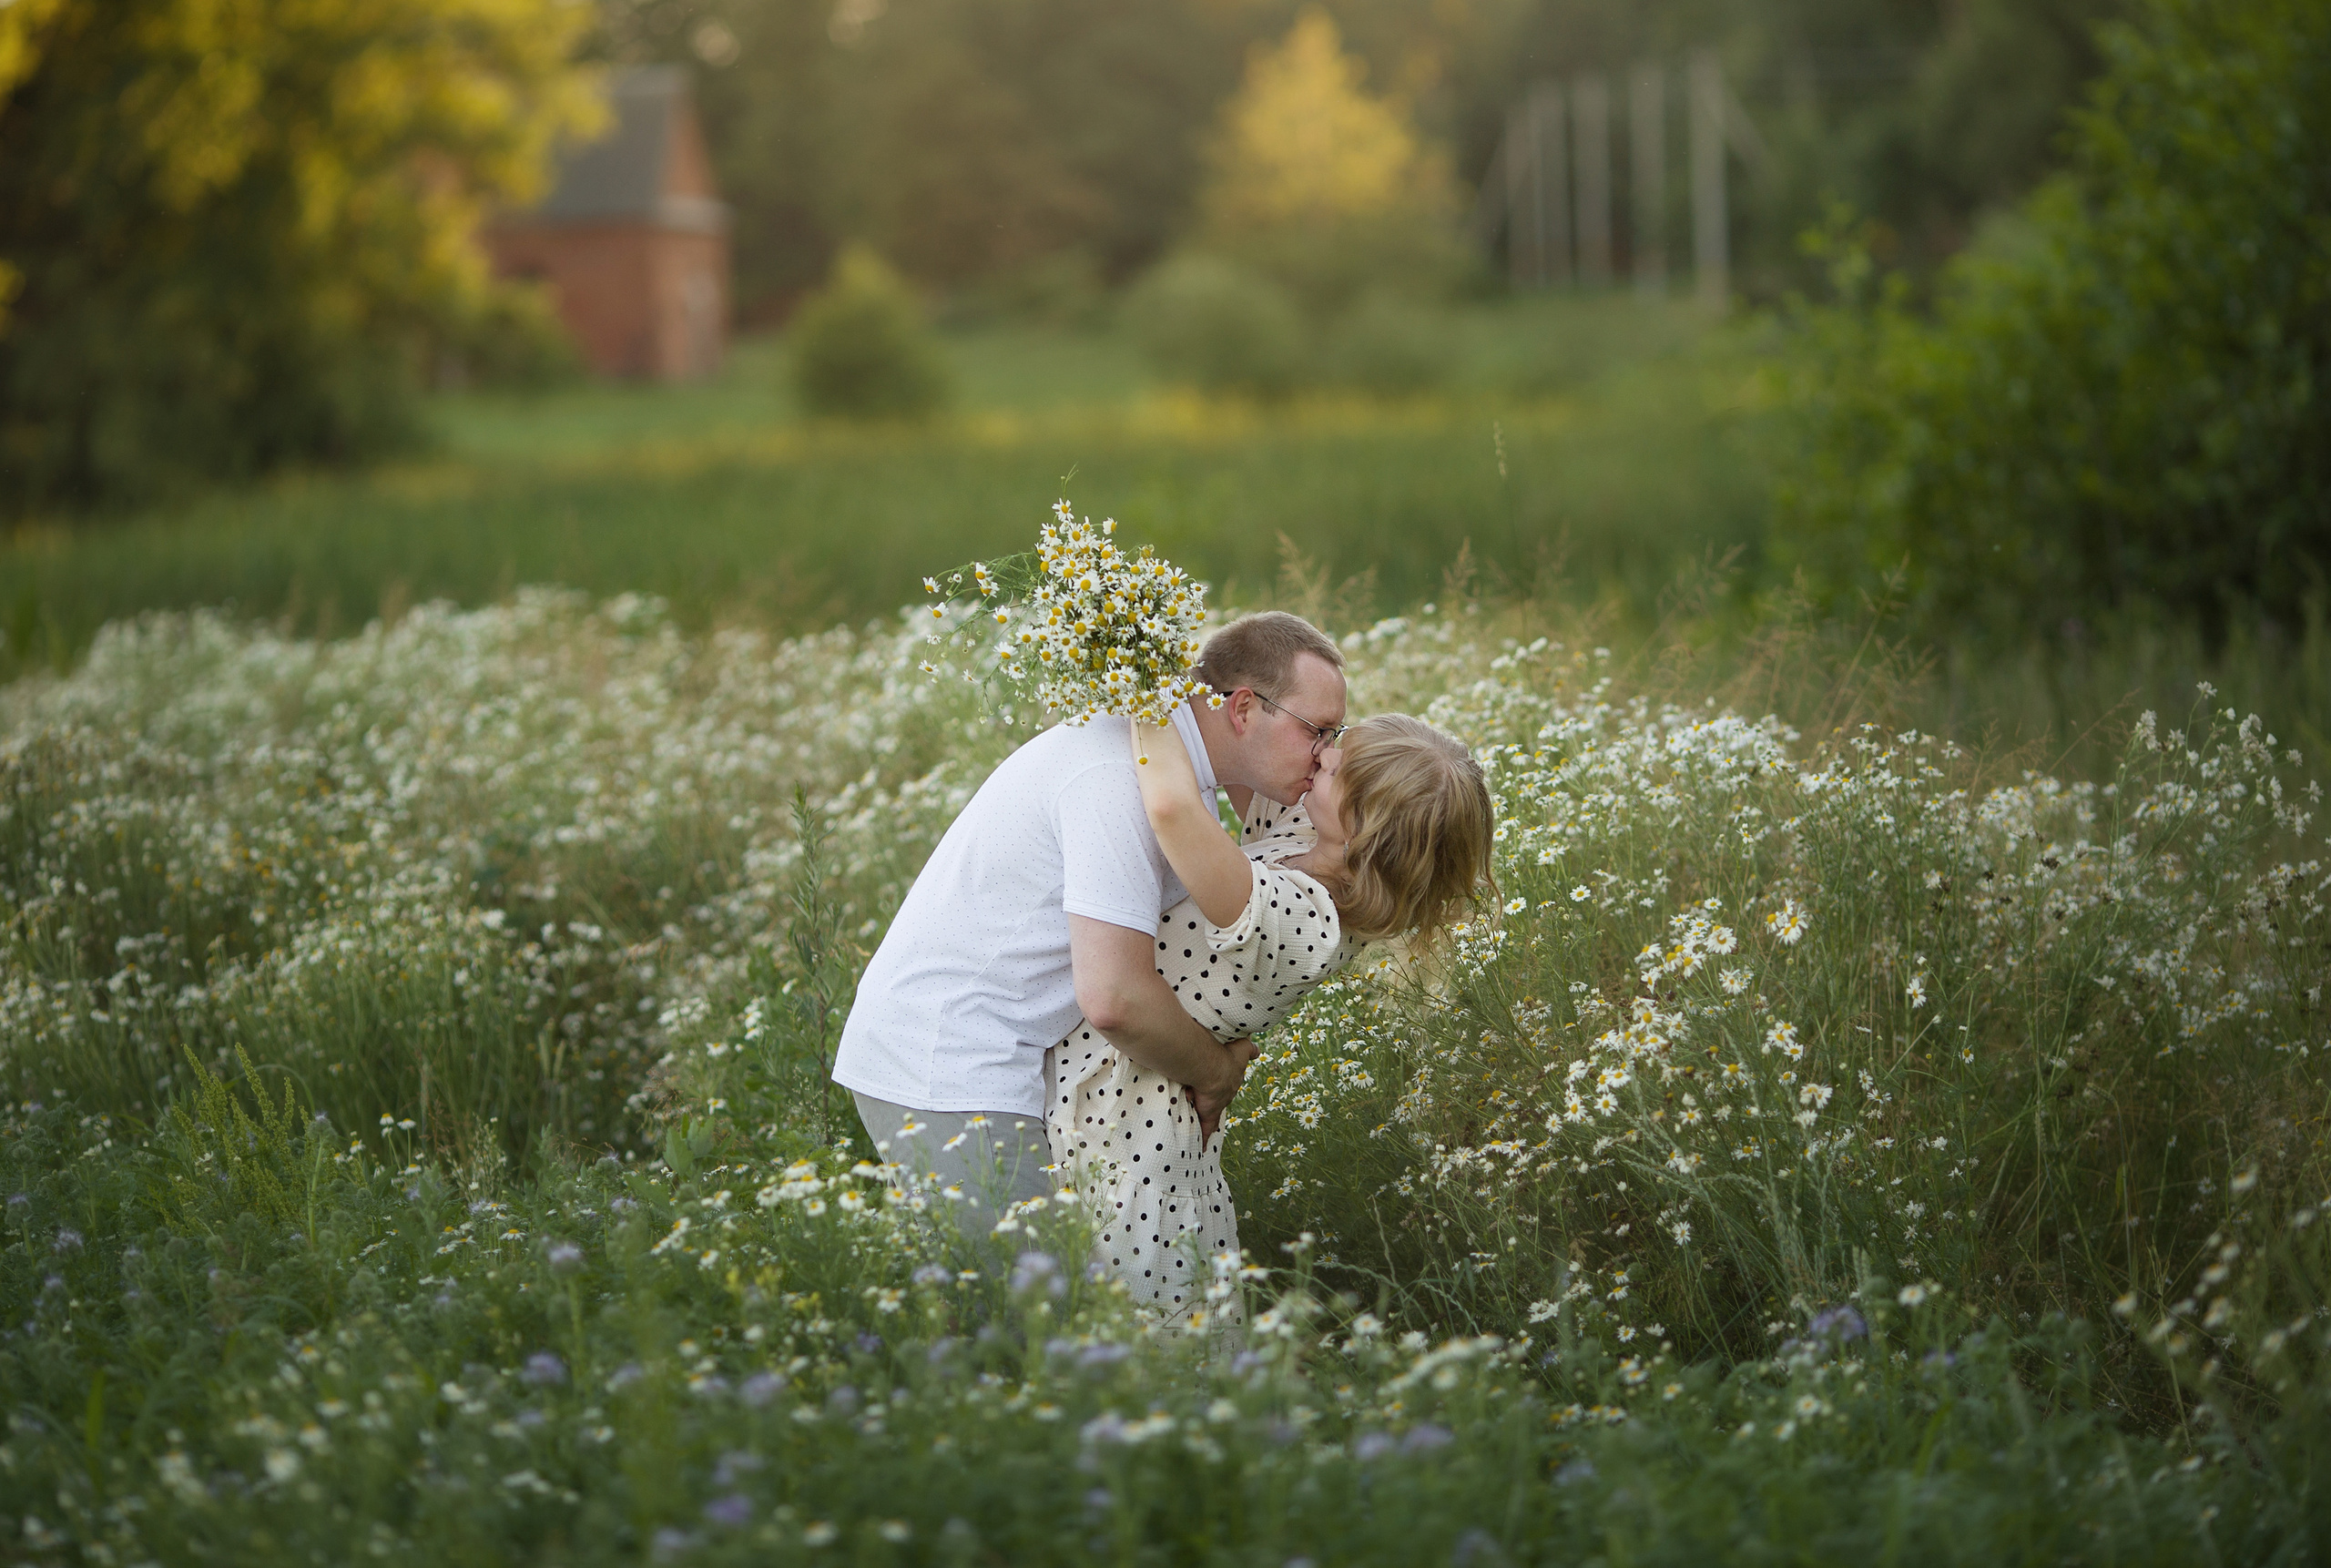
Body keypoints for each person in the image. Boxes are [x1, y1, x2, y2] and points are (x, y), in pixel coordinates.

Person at [831, 611, 1349, 1218]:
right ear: (1241, 711)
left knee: (1008, 1304)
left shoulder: (1172, 766)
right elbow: (1114, 997)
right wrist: (1215, 1073)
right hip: (950, 1062)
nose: (1325, 756)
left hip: (981, 1058)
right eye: (1319, 731)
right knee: (1029, 1306)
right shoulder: (1118, 778)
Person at [1046, 710, 1493, 1319]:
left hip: (1128, 1121)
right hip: (1117, 1075)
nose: (1324, 756)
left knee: (1141, 1329)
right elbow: (1247, 742)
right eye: (1333, 740)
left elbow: (1174, 808)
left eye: (1342, 767)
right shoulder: (1315, 839)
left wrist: (1143, 681)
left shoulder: (1306, 920)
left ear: (1367, 830)